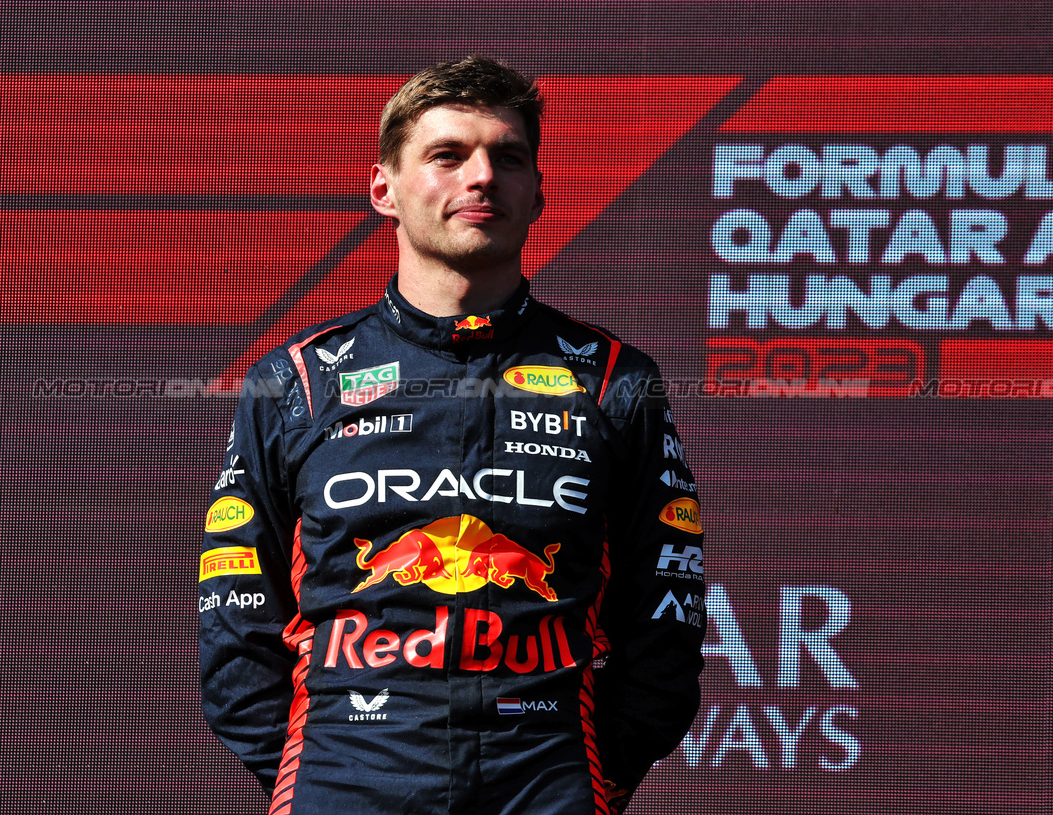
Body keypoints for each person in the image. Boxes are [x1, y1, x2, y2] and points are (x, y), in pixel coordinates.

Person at [199, 56, 705, 815]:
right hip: (346, 777)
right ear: (385, 191)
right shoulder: (298, 380)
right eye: (447, 155)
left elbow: (667, 605)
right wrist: (323, 770)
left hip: (548, 780)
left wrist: (598, 773)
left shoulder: (613, 380)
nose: (481, 177)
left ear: (539, 194)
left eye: (508, 156)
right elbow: (235, 610)